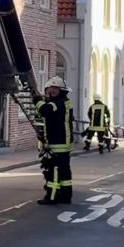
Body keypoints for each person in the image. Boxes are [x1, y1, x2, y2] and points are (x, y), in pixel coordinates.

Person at [35, 76, 73, 205]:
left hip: (57, 144)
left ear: (59, 91)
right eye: (49, 89)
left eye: (53, 89)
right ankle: (65, 196)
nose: (50, 92)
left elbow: (45, 110)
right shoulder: (64, 102)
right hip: (63, 143)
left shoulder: (57, 104)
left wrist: (37, 101)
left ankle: (51, 197)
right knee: (64, 171)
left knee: (54, 171)